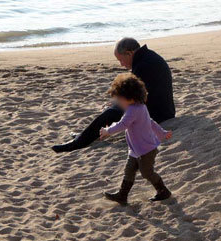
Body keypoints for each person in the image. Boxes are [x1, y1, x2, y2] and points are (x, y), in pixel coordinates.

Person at [52, 37, 175, 153]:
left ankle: (77, 143)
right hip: (162, 109)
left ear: (129, 53)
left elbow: (137, 96)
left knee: (111, 113)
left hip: (159, 114)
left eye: (120, 59)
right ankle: (83, 136)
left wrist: (118, 105)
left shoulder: (144, 65)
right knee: (114, 108)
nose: (121, 64)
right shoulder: (147, 57)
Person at [100, 73, 172, 205]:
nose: (118, 102)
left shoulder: (133, 110)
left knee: (147, 172)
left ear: (130, 97)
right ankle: (122, 195)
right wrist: (162, 133)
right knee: (129, 170)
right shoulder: (140, 106)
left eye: (119, 99)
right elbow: (150, 122)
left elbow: (123, 125)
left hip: (146, 149)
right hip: (136, 149)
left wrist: (107, 131)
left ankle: (163, 191)